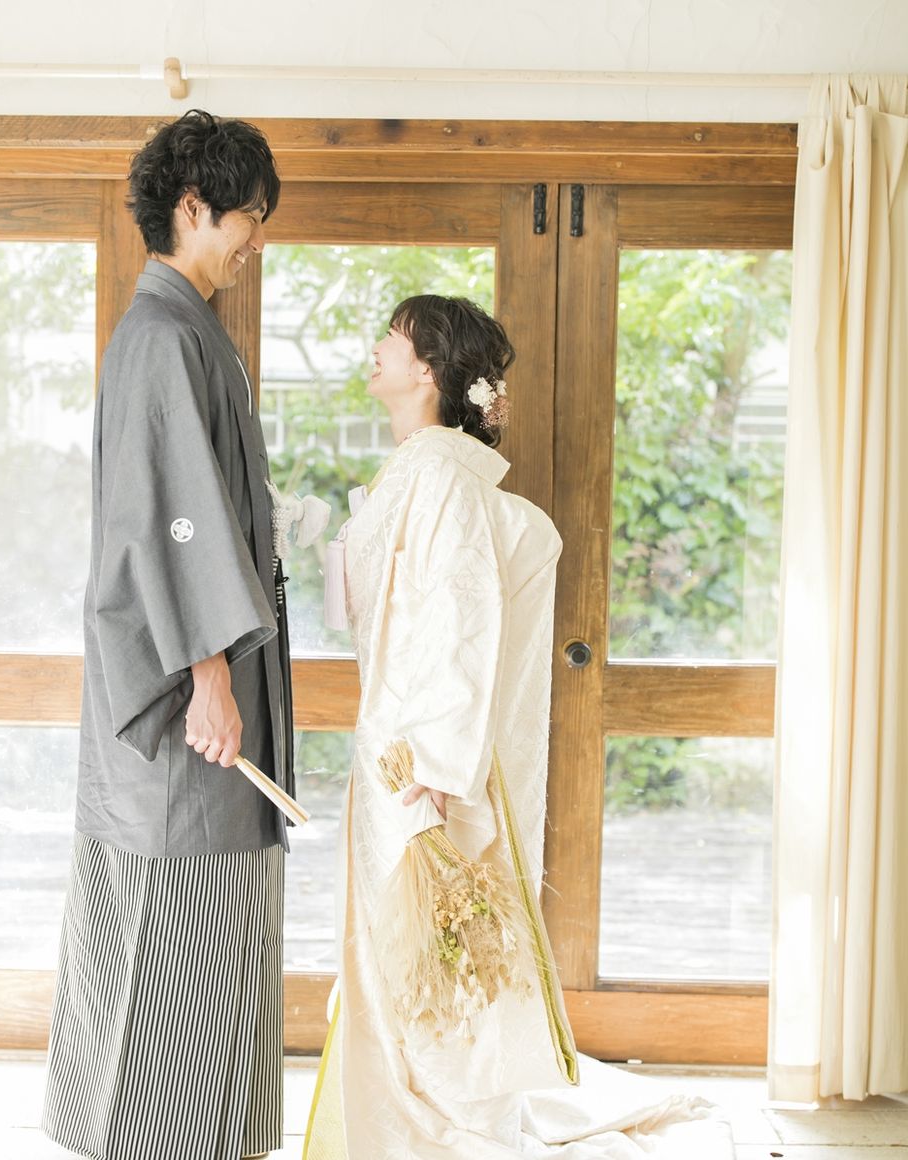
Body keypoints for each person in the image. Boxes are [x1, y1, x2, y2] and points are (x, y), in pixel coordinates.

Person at [307, 296, 734, 1158]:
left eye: (392, 339)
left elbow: (456, 620)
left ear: (428, 370)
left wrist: (434, 765)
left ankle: (434, 1130)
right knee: (403, 946)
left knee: (424, 948)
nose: (377, 349)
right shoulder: (420, 470)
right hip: (396, 739)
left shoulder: (439, 476)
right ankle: (400, 1123)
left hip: (419, 758)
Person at [42, 109, 291, 1160]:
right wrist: (209, 675)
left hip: (198, 675)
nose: (253, 241)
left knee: (206, 918)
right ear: (193, 208)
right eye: (247, 218)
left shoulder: (184, 330)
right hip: (184, 695)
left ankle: (202, 1138)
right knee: (179, 910)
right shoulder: (160, 336)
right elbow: (171, 519)